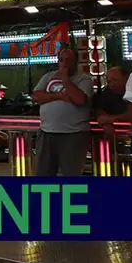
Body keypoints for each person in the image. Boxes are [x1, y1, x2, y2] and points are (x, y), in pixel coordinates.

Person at [32, 46, 93, 176]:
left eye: (68, 60)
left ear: (75, 62)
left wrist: (65, 79)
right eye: (61, 60)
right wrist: (58, 96)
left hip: (73, 134)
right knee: (44, 174)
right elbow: (36, 96)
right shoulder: (48, 76)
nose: (64, 64)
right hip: (46, 132)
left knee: (71, 174)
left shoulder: (84, 79)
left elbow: (79, 99)